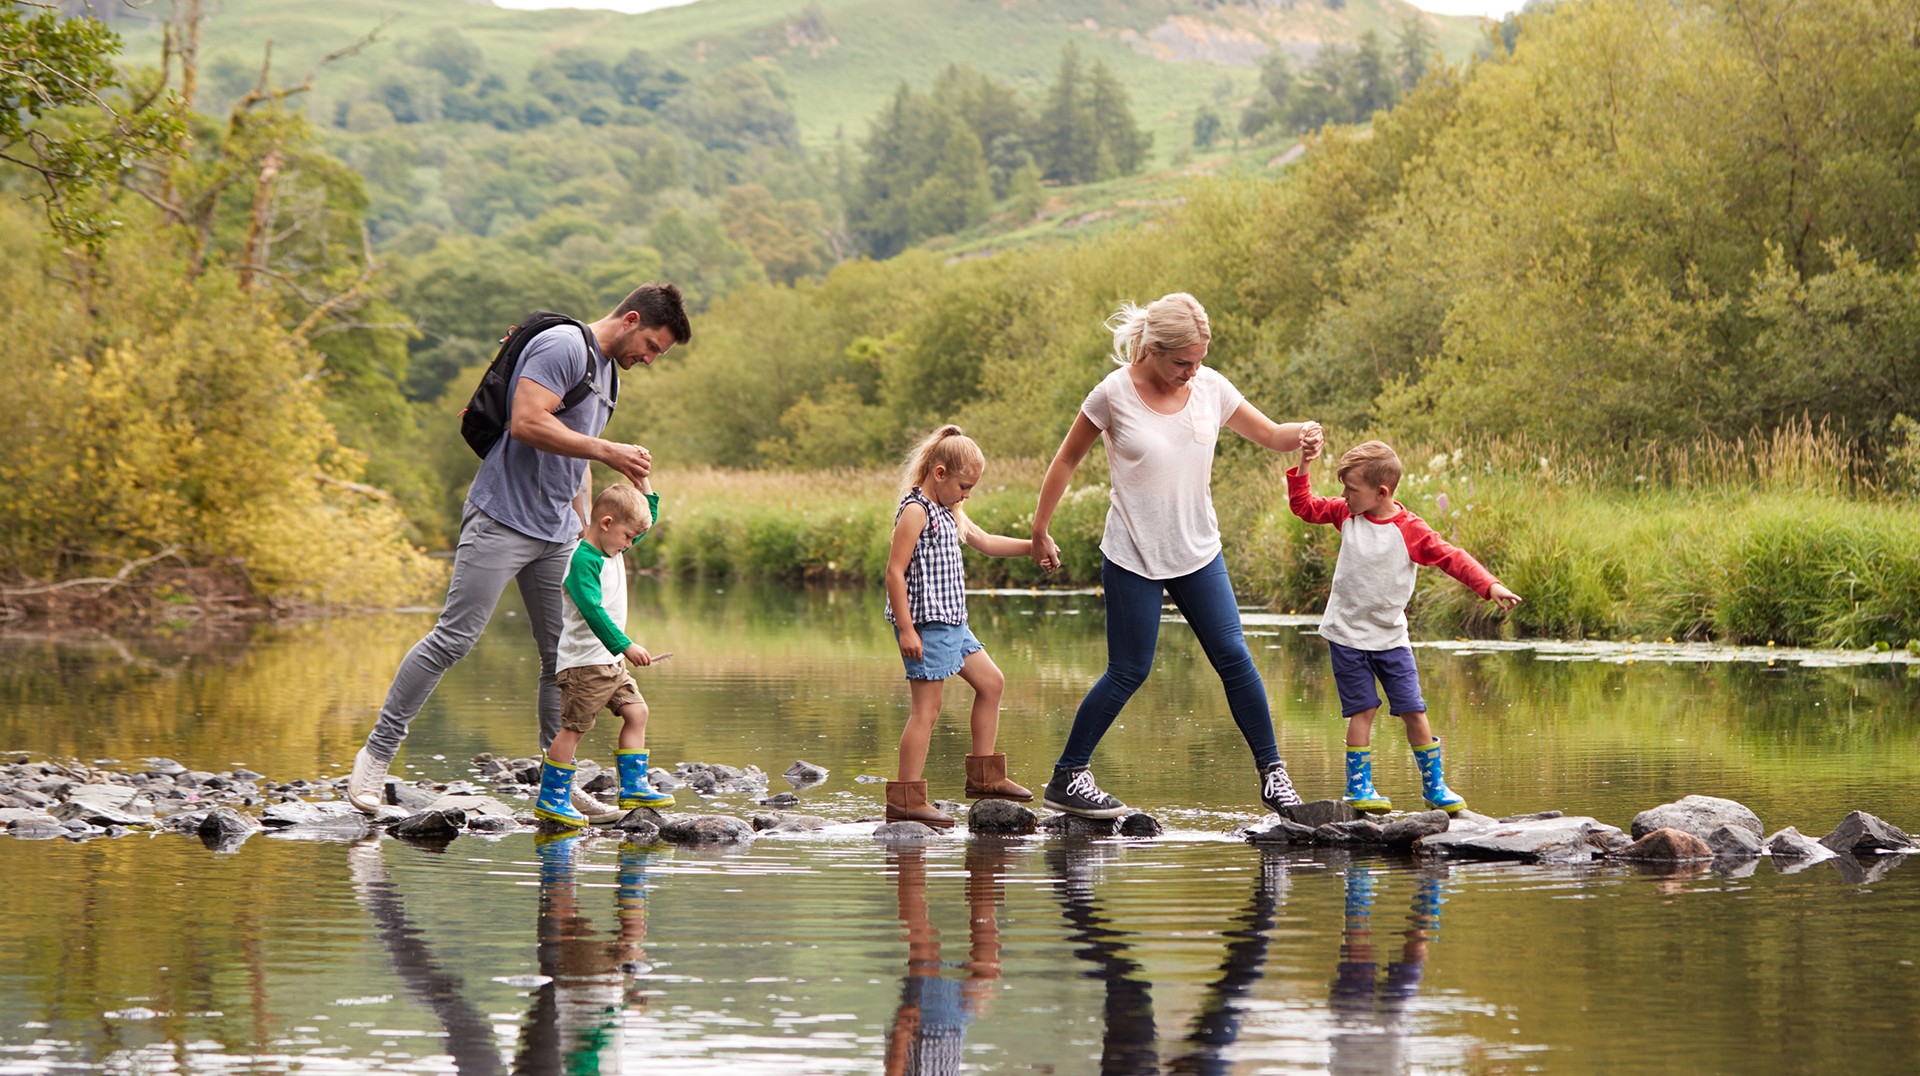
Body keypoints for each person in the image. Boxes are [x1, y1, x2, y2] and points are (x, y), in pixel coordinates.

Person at [347, 283, 692, 819]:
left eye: (656, 355)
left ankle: (556, 785)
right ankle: (374, 760)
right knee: (453, 639)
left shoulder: (607, 379)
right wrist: (607, 449)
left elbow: (573, 460)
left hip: (558, 532)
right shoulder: (563, 346)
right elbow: (527, 423)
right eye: (651, 345)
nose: (648, 359)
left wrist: (582, 525)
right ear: (630, 319)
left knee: (563, 657)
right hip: (502, 518)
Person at [1029, 292, 1324, 819]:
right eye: (1182, 362)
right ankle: (1068, 777)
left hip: (1198, 550)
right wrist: (1040, 528)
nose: (1193, 372)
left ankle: (1275, 777)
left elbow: (1270, 434)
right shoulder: (1112, 394)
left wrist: (1301, 434)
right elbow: (1066, 460)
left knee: (1234, 659)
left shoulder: (1210, 387)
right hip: (1132, 554)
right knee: (1129, 669)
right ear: (1151, 349)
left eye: (1199, 360)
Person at [1287, 439, 1522, 814]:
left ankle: (1435, 786)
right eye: (1344, 487)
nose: (1344, 495)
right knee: (1362, 710)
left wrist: (1489, 585)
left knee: (1414, 710)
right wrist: (1303, 463)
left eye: (1351, 489)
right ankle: (1358, 787)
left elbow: (1452, 557)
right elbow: (1303, 505)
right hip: (1346, 636)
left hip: (1392, 639)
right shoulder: (1345, 514)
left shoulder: (1410, 530)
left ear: (1381, 492)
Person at [882, 425, 1035, 829]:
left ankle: (986, 778)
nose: (967, 494)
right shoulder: (916, 510)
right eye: (964, 486)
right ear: (939, 473)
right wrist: (907, 629)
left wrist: (1033, 546)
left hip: (954, 623)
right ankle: (906, 799)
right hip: (927, 626)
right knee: (926, 711)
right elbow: (895, 573)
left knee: (992, 683)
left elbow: (985, 541)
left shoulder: (949, 511)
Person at [534, 478, 676, 828]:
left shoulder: (614, 547)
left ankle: (633, 787)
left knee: (637, 712)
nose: (631, 544)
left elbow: (645, 520)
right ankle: (553, 797)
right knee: (574, 728)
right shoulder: (584, 561)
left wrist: (643, 484)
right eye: (628, 537)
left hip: (608, 663)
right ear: (606, 524)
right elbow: (592, 610)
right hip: (585, 664)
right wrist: (626, 645)